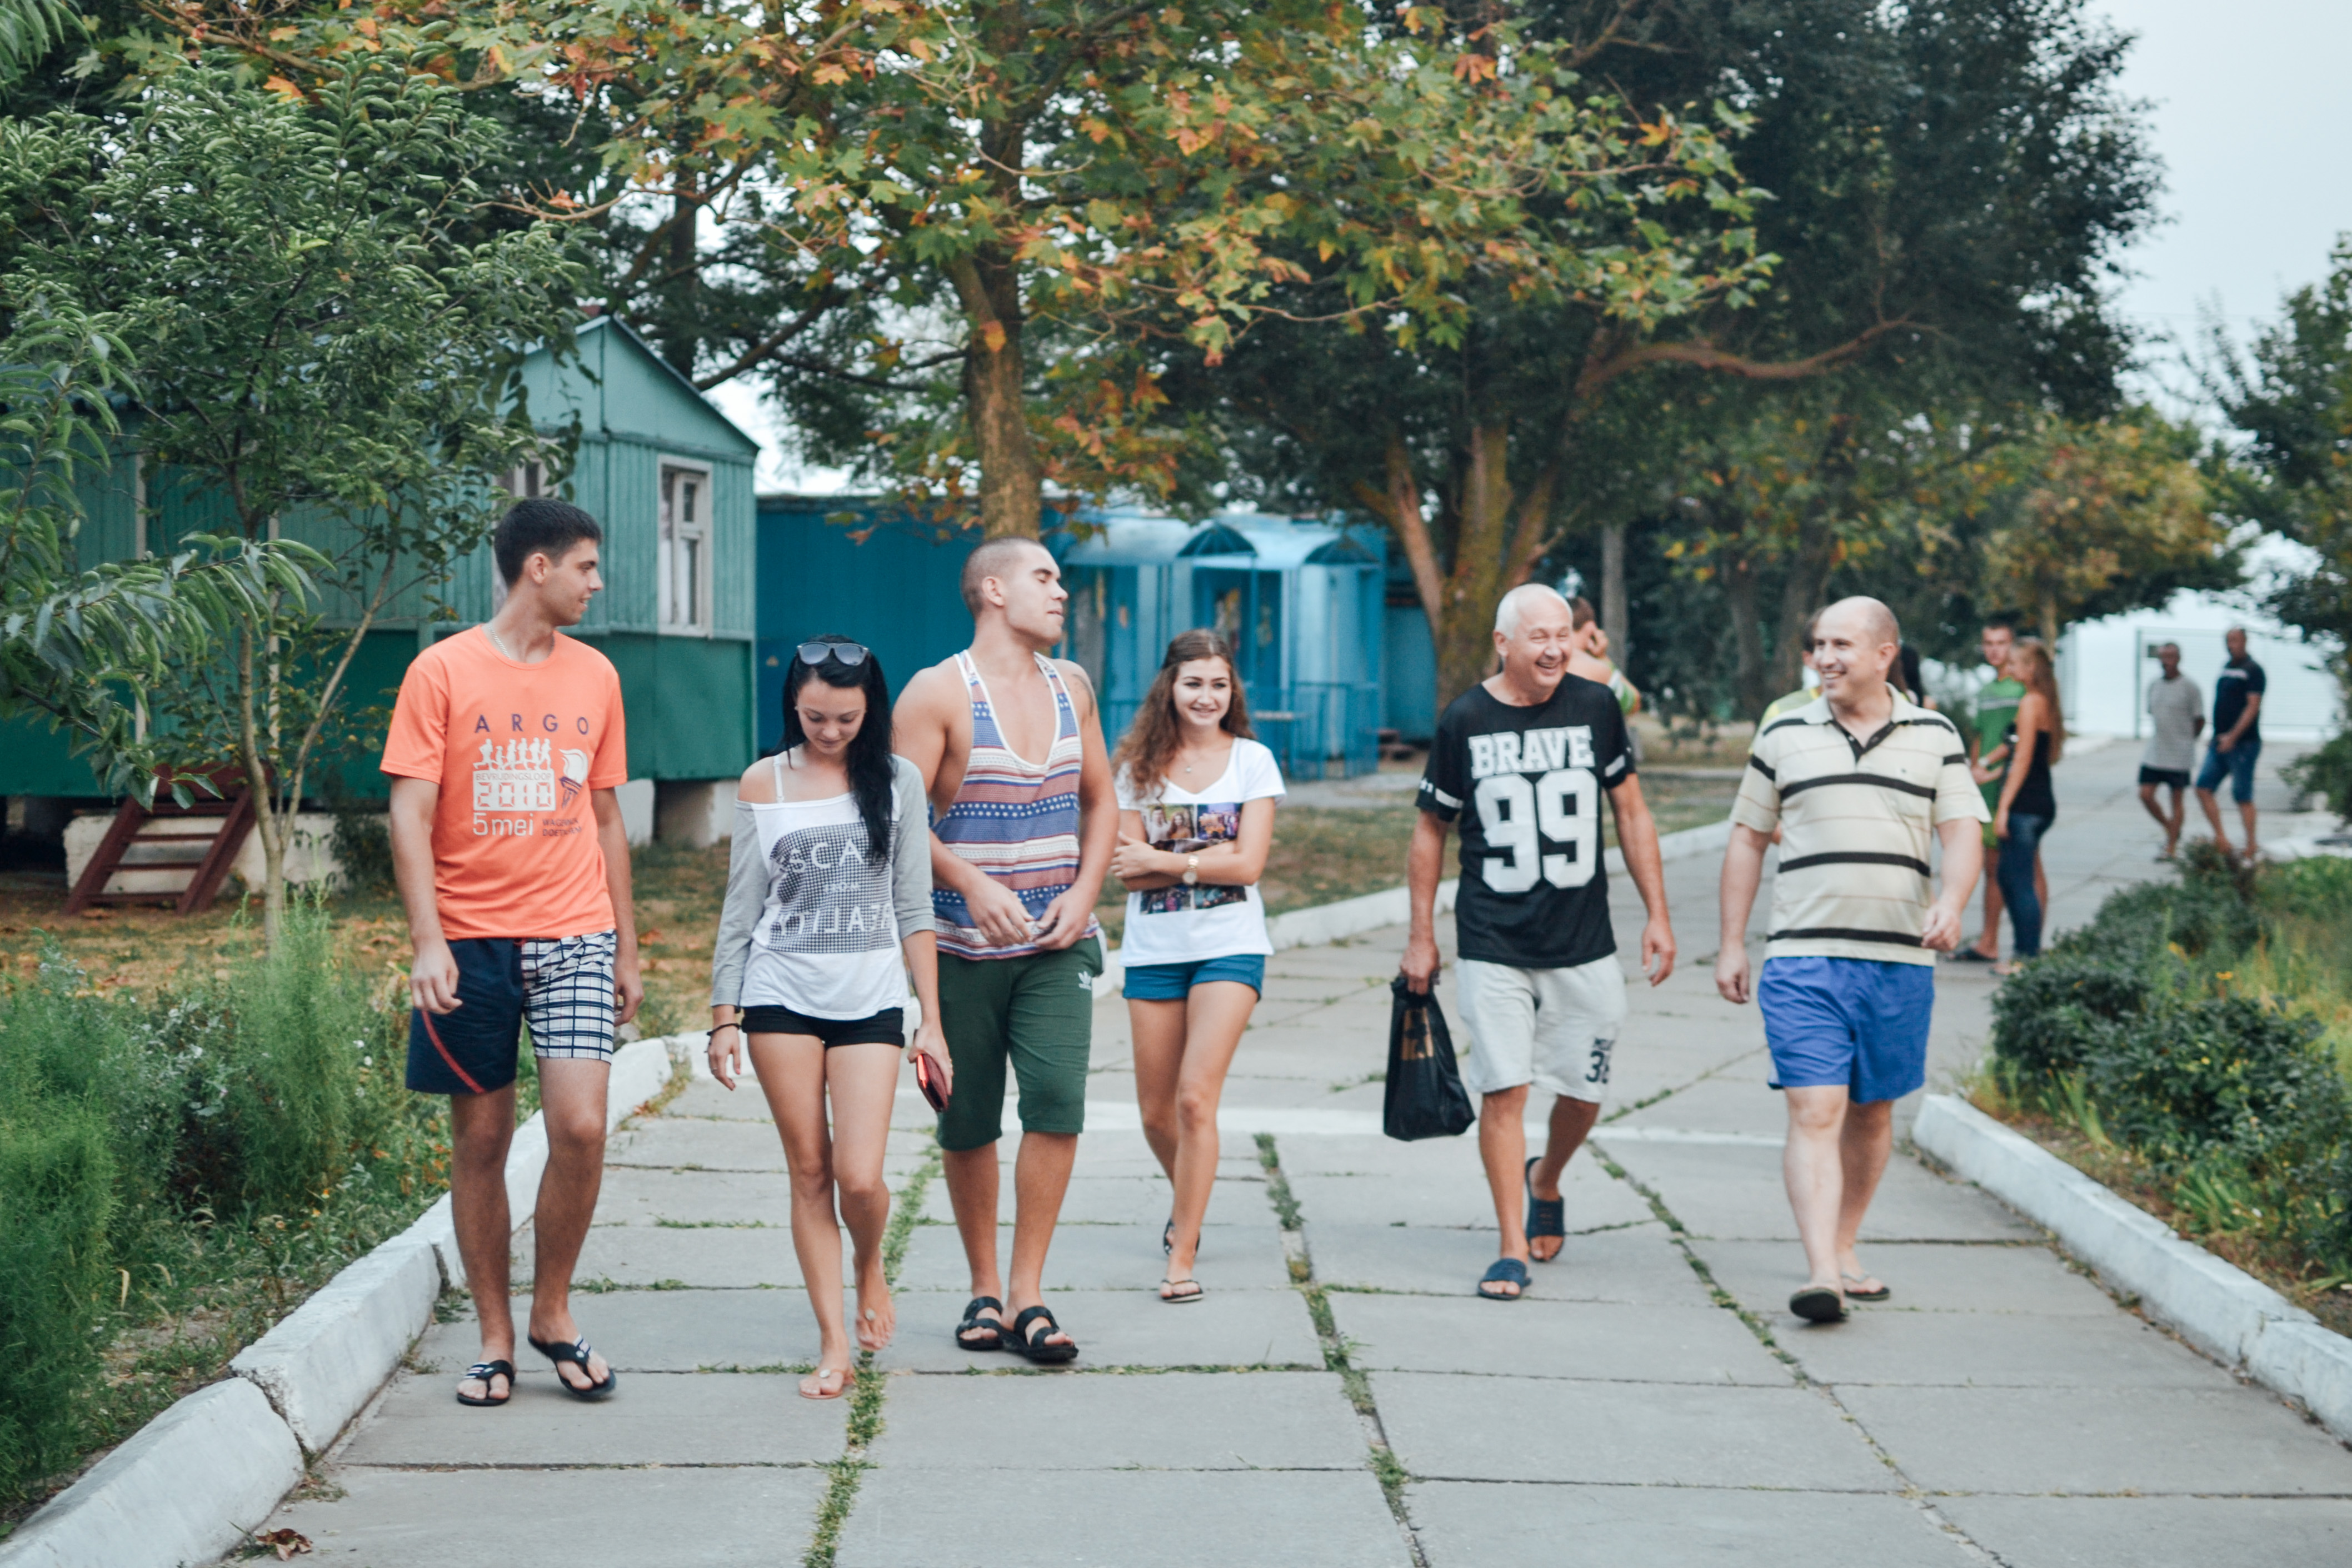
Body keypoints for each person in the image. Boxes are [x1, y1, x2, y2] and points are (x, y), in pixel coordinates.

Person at [384, 498, 641, 1407]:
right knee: (483, 1139)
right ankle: (494, 1338)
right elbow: (409, 812)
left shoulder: (596, 675)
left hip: (575, 933)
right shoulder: (442, 670)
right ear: (539, 566)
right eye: (585, 566)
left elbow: (605, 817)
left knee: (580, 1126)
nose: (596, 582)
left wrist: (627, 946)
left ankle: (552, 1311)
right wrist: (428, 941)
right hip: (470, 941)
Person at [1402, 583, 1677, 1302]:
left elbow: (1631, 809)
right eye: (1539, 637)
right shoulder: (1465, 719)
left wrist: (1658, 913)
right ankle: (1509, 1246)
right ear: (1503, 643)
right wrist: (1421, 935)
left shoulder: (1596, 706)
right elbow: (1430, 829)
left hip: (1583, 939)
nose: (1555, 649)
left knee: (1584, 1090)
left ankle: (1546, 1178)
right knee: (1505, 1088)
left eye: (1564, 634)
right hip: (1492, 937)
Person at [1715, 597, 1984, 1324]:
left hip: (1898, 959)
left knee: (1871, 1111)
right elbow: (1748, 836)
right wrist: (1733, 941)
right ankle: (1822, 1272)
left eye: (1841, 645)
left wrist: (1953, 900)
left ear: (1883, 654)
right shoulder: (1784, 732)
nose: (1824, 658)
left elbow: (1962, 830)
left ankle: (1844, 1242)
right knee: (1815, 1109)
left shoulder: (1934, 734)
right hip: (1804, 958)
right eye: (1819, 644)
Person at [706, 637, 948, 1401]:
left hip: (870, 998)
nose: (831, 731)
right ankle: (833, 1342)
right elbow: (742, 906)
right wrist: (723, 1015)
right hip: (779, 994)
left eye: (846, 717)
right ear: (794, 706)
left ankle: (869, 1263)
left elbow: (914, 906)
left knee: (860, 1177)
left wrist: (931, 1021)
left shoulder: (899, 779)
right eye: (815, 717)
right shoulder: (765, 780)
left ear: (870, 709)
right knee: (810, 1171)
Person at [894, 537, 1115, 1364]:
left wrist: (1085, 892)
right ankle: (984, 1288)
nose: (1061, 591)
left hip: (1058, 943)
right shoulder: (936, 692)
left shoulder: (1073, 686)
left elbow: (1101, 801)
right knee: (970, 1118)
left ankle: (1028, 1292)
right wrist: (970, 882)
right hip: (958, 947)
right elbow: (895, 818)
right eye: (1044, 577)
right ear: (993, 590)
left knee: (1056, 1101)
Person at [1106, 630, 1284, 1304]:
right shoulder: (1137, 767)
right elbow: (1129, 872)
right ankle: (1191, 1197)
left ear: (1232, 690)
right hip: (1154, 949)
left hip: (1230, 945)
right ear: (1170, 687)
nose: (1207, 696)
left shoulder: (1253, 762)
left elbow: (1250, 865)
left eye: (1219, 684)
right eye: (1194, 683)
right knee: (1156, 1114)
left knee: (1193, 1098)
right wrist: (1206, 859)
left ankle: (1182, 1252)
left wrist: (1169, 859)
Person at [1957, 620, 2040, 963]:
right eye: (1988, 643)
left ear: (2013, 646)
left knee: (2025, 867)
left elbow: (2019, 741)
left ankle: (2028, 945)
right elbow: (1982, 737)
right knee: (1994, 867)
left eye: (2001, 643)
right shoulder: (1986, 691)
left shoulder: (2023, 691)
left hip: (2014, 787)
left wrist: (1989, 768)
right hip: (1985, 789)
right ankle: (1990, 941)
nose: (1994, 650)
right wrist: (1972, 773)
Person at [1989, 639, 2063, 976]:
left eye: (2015, 663)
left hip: (2026, 805)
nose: (2010, 668)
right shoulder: (2045, 701)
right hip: (2039, 802)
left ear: (2031, 668)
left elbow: (2022, 759)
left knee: (2017, 880)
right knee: (2012, 877)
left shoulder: (2031, 702)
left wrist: (2004, 807)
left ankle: (2026, 957)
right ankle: (2026, 953)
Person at [2196, 626, 2267, 859]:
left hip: (2243, 743)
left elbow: (2253, 707)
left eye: (2235, 640)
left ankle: (2251, 846)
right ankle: (2222, 839)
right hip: (2219, 741)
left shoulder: (2253, 670)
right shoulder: (2227, 668)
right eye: (2228, 640)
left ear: (2245, 641)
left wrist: (2233, 736)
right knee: (2203, 787)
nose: (2230, 645)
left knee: (2243, 795)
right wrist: (2216, 735)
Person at [2138, 642, 2204, 860]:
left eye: (2170, 657)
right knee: (2146, 795)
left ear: (2178, 658)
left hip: (2179, 753)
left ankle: (2171, 847)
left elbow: (2199, 719)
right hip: (2156, 750)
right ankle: (2170, 827)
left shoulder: (2190, 687)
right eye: (2163, 657)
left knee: (2177, 800)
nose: (2166, 661)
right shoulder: (2154, 685)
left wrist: (2187, 740)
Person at [1759, 612, 1824, 724]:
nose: (1832, 658)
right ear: (1809, 659)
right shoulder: (1782, 713)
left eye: (1843, 645)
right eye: (1822, 646)